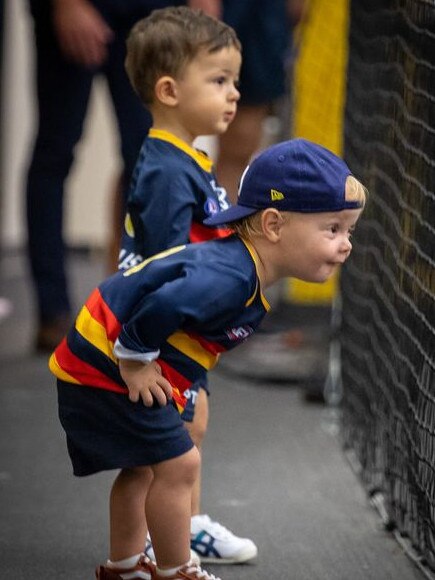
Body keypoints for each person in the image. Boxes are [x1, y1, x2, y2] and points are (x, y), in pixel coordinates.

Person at [49, 137, 366, 580]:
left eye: (349, 230)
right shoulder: (230, 276)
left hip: (102, 349)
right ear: (274, 224)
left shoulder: (244, 270)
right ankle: (177, 569)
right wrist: (136, 360)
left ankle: (123, 566)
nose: (345, 243)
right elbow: (161, 306)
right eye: (332, 229)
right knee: (181, 464)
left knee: (143, 464)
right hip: (103, 355)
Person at [117, 7, 258, 565]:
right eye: (219, 81)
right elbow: (165, 268)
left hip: (181, 332)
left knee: (190, 430)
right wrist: (145, 350)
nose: (234, 95)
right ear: (170, 90)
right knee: (168, 444)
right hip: (157, 333)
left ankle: (188, 525)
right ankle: (161, 542)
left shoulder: (188, 157)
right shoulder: (167, 172)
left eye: (235, 82)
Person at [25, 0, 188, 353]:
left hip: (149, 11)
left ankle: (140, 307)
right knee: (55, 151)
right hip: (74, 9)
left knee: (149, 158)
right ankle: (52, 309)